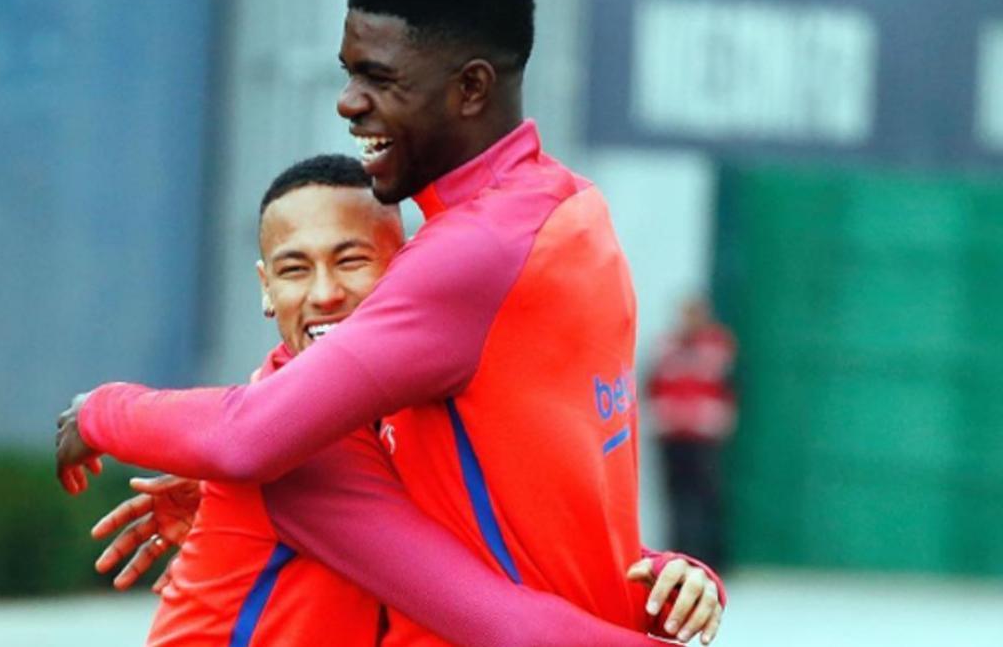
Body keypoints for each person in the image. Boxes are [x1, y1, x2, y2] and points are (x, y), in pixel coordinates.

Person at [57, 0, 725, 643]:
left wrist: (101, 411)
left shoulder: (465, 259)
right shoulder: (575, 214)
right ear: (264, 287)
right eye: (294, 268)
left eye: (380, 78)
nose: (348, 103)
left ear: (470, 88)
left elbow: (247, 436)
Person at [86, 154, 719, 646]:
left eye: (351, 260)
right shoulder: (294, 447)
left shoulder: (410, 415)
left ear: (403, 271)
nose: (325, 292)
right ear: (265, 288)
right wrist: (98, 411)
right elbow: (499, 621)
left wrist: (667, 579)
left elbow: (510, 555)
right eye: (295, 269)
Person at [647, 297, 738, 572]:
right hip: (672, 433)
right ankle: (677, 558)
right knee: (676, 499)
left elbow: (731, 384)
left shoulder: (718, 346)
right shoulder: (666, 345)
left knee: (706, 498)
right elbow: (652, 383)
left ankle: (711, 559)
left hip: (704, 435)